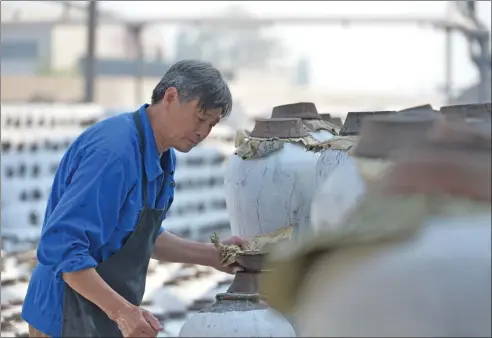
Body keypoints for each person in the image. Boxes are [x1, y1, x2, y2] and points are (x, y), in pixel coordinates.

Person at [22, 60, 245, 337]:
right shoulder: (114, 152)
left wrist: (212, 255)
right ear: (171, 96)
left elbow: (139, 235)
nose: (203, 133)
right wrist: (122, 312)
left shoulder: (163, 156)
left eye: (211, 125)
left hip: (103, 310)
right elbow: (62, 247)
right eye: (200, 119)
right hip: (66, 312)